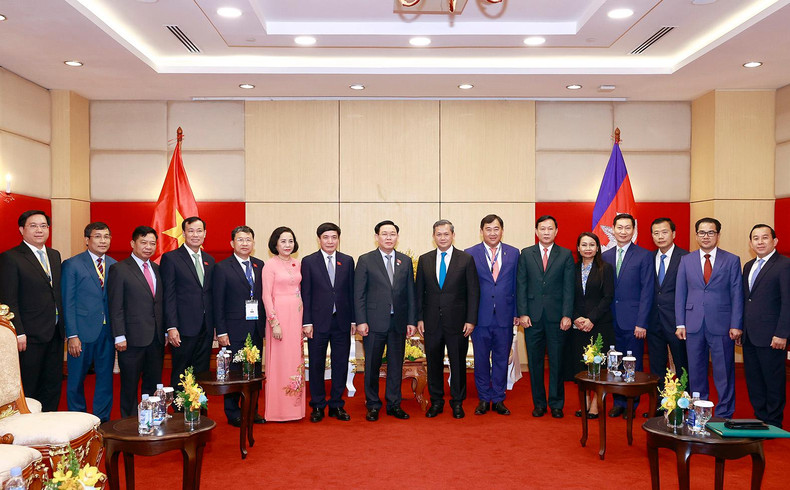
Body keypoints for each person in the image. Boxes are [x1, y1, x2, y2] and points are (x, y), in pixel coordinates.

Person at [675, 217, 743, 419]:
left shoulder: (731, 260)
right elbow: (680, 293)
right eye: (702, 233)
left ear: (718, 235)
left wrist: (736, 324)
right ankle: (698, 411)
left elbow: (736, 294)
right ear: (696, 235)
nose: (706, 236)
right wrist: (680, 323)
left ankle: (724, 413)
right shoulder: (686, 260)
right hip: (693, 324)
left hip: (722, 325)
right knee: (696, 372)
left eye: (710, 232)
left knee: (724, 372)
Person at [0, 210, 63, 412]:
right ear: (22, 229)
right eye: (33, 225)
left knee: (53, 384)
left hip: (54, 332)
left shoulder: (54, 255)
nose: (39, 230)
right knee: (30, 386)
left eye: (43, 226)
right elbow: (9, 299)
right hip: (28, 335)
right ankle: (30, 428)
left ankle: (49, 423)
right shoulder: (10, 258)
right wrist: (18, 331)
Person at [354, 220, 417, 422]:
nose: (389, 237)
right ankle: (372, 404)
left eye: (392, 234)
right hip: (373, 323)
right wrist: (361, 320)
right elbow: (359, 294)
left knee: (396, 365)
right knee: (371, 365)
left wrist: (411, 321)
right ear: (376, 237)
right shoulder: (365, 260)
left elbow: (410, 294)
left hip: (398, 322)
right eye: (384, 234)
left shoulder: (404, 261)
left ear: (397, 237)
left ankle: (394, 404)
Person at [416, 220, 480, 419]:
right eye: (438, 234)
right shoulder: (425, 259)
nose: (442, 238)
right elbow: (419, 293)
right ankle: (436, 402)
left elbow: (473, 292)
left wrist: (471, 320)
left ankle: (457, 402)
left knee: (458, 363)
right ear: (433, 236)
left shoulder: (465, 259)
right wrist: (419, 318)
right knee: (433, 363)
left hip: (458, 323)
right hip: (431, 322)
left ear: (453, 235)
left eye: (446, 234)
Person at [516, 215, 575, 418]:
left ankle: (557, 403)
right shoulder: (526, 254)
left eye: (550, 229)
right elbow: (521, 285)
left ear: (556, 231)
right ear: (536, 231)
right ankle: (539, 403)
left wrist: (567, 314)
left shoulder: (566, 255)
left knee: (557, 362)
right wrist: (522, 313)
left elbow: (569, 288)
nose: (546, 232)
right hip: (532, 317)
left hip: (557, 317)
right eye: (542, 229)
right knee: (535, 362)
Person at [61, 222, 117, 422]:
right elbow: (68, 302)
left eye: (107, 236)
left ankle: (102, 419)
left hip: (107, 332)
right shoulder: (72, 264)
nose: (103, 241)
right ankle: (78, 421)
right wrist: (72, 335)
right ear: (87, 240)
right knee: (76, 380)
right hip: (81, 333)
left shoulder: (114, 264)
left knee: (105, 379)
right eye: (98, 236)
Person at [107, 226, 164, 418]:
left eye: (152, 243)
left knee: (152, 383)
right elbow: (116, 306)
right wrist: (119, 335)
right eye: (144, 242)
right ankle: (129, 423)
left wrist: (163, 332)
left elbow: (158, 303)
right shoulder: (119, 269)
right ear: (133, 244)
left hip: (155, 338)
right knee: (129, 386)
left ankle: (149, 419)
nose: (148, 247)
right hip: (131, 340)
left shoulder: (157, 268)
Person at [301, 223, 355, 422]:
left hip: (342, 322)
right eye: (326, 237)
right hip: (317, 323)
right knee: (316, 364)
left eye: (334, 237)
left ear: (338, 239)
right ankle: (317, 405)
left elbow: (351, 292)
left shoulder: (347, 261)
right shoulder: (308, 262)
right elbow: (305, 294)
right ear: (319, 239)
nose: (330, 241)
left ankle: (336, 405)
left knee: (340, 364)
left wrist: (354, 320)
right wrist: (306, 322)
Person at [465, 214, 518, 416]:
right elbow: (467, 289)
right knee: (480, 360)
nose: (492, 233)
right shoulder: (470, 254)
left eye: (496, 229)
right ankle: (483, 398)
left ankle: (498, 398)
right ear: (481, 232)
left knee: (501, 359)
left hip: (505, 316)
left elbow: (517, 285)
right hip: (480, 316)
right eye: (488, 229)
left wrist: (517, 313)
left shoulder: (514, 253)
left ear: (502, 231)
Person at [602, 213, 653, 418]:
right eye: (619, 227)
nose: (623, 231)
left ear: (634, 230)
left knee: (633, 364)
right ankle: (618, 402)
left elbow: (647, 291)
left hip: (634, 322)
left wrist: (642, 322)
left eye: (627, 228)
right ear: (613, 229)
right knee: (614, 363)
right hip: (610, 319)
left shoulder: (644, 255)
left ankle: (631, 403)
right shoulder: (605, 256)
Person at [213, 225, 265, 427]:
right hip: (233, 330)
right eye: (241, 240)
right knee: (234, 372)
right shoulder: (222, 267)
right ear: (232, 243)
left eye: (248, 240)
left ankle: (252, 410)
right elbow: (218, 302)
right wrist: (221, 331)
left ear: (253, 243)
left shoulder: (260, 265)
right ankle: (233, 412)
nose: (245, 243)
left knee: (254, 371)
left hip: (256, 328)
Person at [742, 224, 790, 427]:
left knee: (773, 380)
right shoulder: (748, 265)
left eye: (765, 238)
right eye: (755, 238)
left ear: (775, 241)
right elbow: (747, 300)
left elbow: (788, 302)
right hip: (750, 335)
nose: (760, 242)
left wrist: (782, 333)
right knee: (754, 380)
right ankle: (759, 417)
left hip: (772, 336)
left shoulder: (784, 264)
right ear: (751, 242)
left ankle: (773, 421)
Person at [160, 216, 215, 389]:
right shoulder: (171, 258)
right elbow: (168, 295)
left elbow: (210, 294)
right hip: (182, 328)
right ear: (183, 233)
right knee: (181, 371)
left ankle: (199, 411)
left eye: (199, 231)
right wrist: (171, 327)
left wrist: (214, 326)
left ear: (205, 234)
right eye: (190, 231)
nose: (195, 235)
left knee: (202, 371)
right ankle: (179, 413)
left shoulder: (209, 260)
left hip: (205, 327)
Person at [261, 226, 306, 422]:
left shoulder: (298, 264)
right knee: (280, 362)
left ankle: (295, 409)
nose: (287, 245)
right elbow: (266, 295)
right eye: (283, 241)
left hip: (296, 317)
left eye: (290, 241)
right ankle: (277, 410)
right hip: (279, 317)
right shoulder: (269, 265)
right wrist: (274, 322)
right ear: (275, 244)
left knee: (295, 361)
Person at [646, 217, 689, 417]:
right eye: (656, 233)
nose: (660, 236)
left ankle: (681, 405)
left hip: (677, 322)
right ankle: (660, 405)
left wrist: (684, 320)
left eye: (664, 232)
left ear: (673, 234)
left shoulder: (686, 258)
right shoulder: (649, 257)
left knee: (682, 366)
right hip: (654, 321)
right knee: (656, 367)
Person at [571, 232, 615, 419]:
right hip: (578, 326)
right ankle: (586, 402)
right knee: (582, 365)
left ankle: (596, 403)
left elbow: (608, 297)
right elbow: (567, 296)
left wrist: (591, 319)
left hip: (599, 325)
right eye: (584, 245)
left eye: (592, 245)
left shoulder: (606, 268)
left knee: (598, 366)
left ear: (597, 248)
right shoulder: (572, 269)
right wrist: (575, 318)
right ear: (578, 248)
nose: (588, 248)